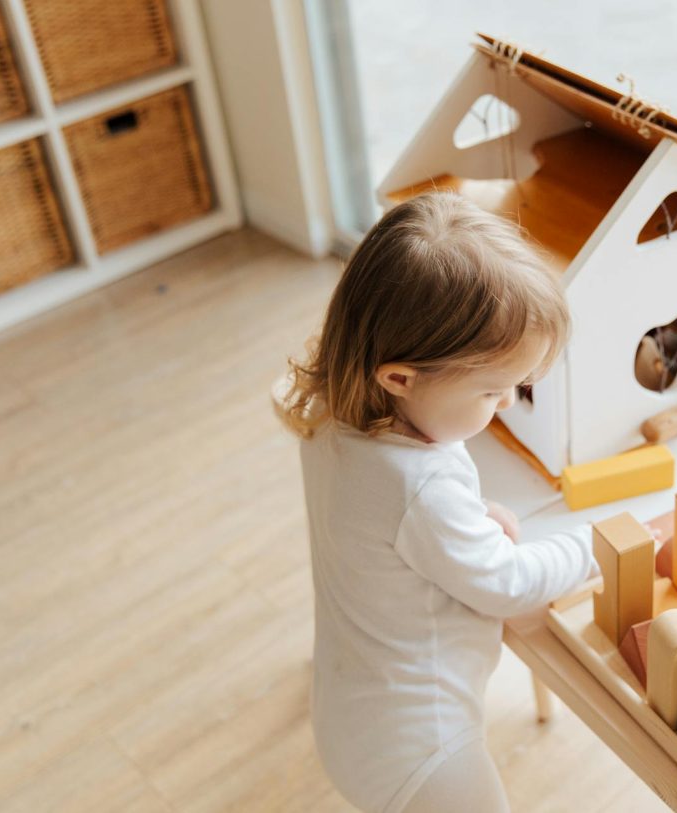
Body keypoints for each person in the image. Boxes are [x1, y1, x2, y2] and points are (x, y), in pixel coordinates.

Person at [278, 192, 596, 812]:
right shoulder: (420, 487)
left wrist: (471, 521)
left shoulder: (331, 420)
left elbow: (382, 530)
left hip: (351, 708)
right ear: (400, 378)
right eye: (492, 391)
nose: (506, 404)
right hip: (423, 749)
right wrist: (593, 546)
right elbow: (507, 584)